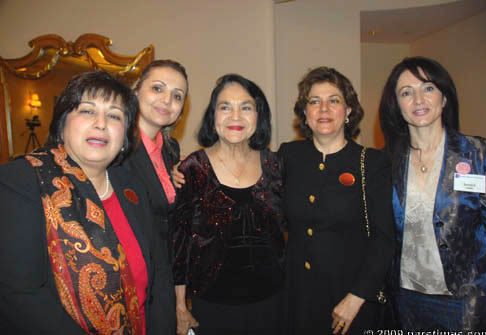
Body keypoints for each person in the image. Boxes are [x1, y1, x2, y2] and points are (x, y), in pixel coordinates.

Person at [0, 71, 175, 334]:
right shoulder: (21, 181)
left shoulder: (131, 186)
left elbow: (159, 271)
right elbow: (22, 297)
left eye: (114, 115)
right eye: (87, 111)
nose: (101, 124)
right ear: (62, 123)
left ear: (125, 135)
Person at [379, 56, 486, 331]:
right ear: (397, 106)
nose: (418, 100)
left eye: (428, 88)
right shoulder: (386, 164)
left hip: (470, 301)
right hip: (406, 298)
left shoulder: (483, 155)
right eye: (406, 93)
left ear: (444, 97)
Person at [279, 66, 395, 334]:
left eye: (334, 101)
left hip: (350, 304)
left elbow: (384, 240)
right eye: (314, 101)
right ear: (304, 114)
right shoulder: (288, 156)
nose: (323, 109)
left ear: (349, 111)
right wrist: (190, 169)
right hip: (297, 300)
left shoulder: (372, 163)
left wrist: (356, 298)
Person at [172, 74, 286, 335]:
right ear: (213, 116)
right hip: (212, 305)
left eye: (246, 107)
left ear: (259, 115)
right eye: (225, 107)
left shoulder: (276, 165)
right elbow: (180, 243)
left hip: (272, 301)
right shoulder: (192, 168)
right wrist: (180, 305)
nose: (235, 116)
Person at [124, 59, 188, 260]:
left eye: (177, 96)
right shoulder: (117, 148)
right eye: (158, 88)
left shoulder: (172, 151)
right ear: (136, 92)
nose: (167, 100)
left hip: (166, 267)